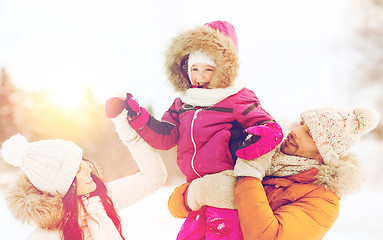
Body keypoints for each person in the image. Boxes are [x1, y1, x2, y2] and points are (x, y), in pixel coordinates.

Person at [105, 20, 283, 239]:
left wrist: (242, 145)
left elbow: (270, 129)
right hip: (197, 192)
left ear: (224, 68)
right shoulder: (183, 103)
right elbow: (165, 136)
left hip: (226, 192)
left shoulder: (238, 98)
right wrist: (137, 115)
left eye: (208, 69)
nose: (199, 76)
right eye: (194, 69)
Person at [168, 106, 379, 240]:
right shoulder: (261, 152)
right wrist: (197, 192)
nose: (295, 132)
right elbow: (175, 207)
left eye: (309, 134)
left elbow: (268, 237)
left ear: (324, 154)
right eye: (301, 123)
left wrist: (249, 174)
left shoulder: (323, 202)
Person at [2, 109, 167, 240]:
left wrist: (128, 132)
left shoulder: (103, 200)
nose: (89, 169)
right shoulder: (45, 236)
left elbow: (154, 178)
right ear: (63, 187)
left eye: (83, 161)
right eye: (78, 169)